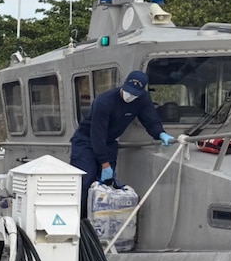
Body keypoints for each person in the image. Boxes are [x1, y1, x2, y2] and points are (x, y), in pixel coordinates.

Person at [69, 70, 174, 207]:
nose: (130, 96)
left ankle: (98, 222)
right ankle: (76, 219)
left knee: (106, 187)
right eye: (128, 91)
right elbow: (97, 135)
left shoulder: (142, 100)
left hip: (109, 141)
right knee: (85, 179)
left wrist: (161, 134)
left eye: (134, 94)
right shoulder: (104, 101)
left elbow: (150, 120)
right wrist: (105, 164)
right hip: (86, 140)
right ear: (123, 86)